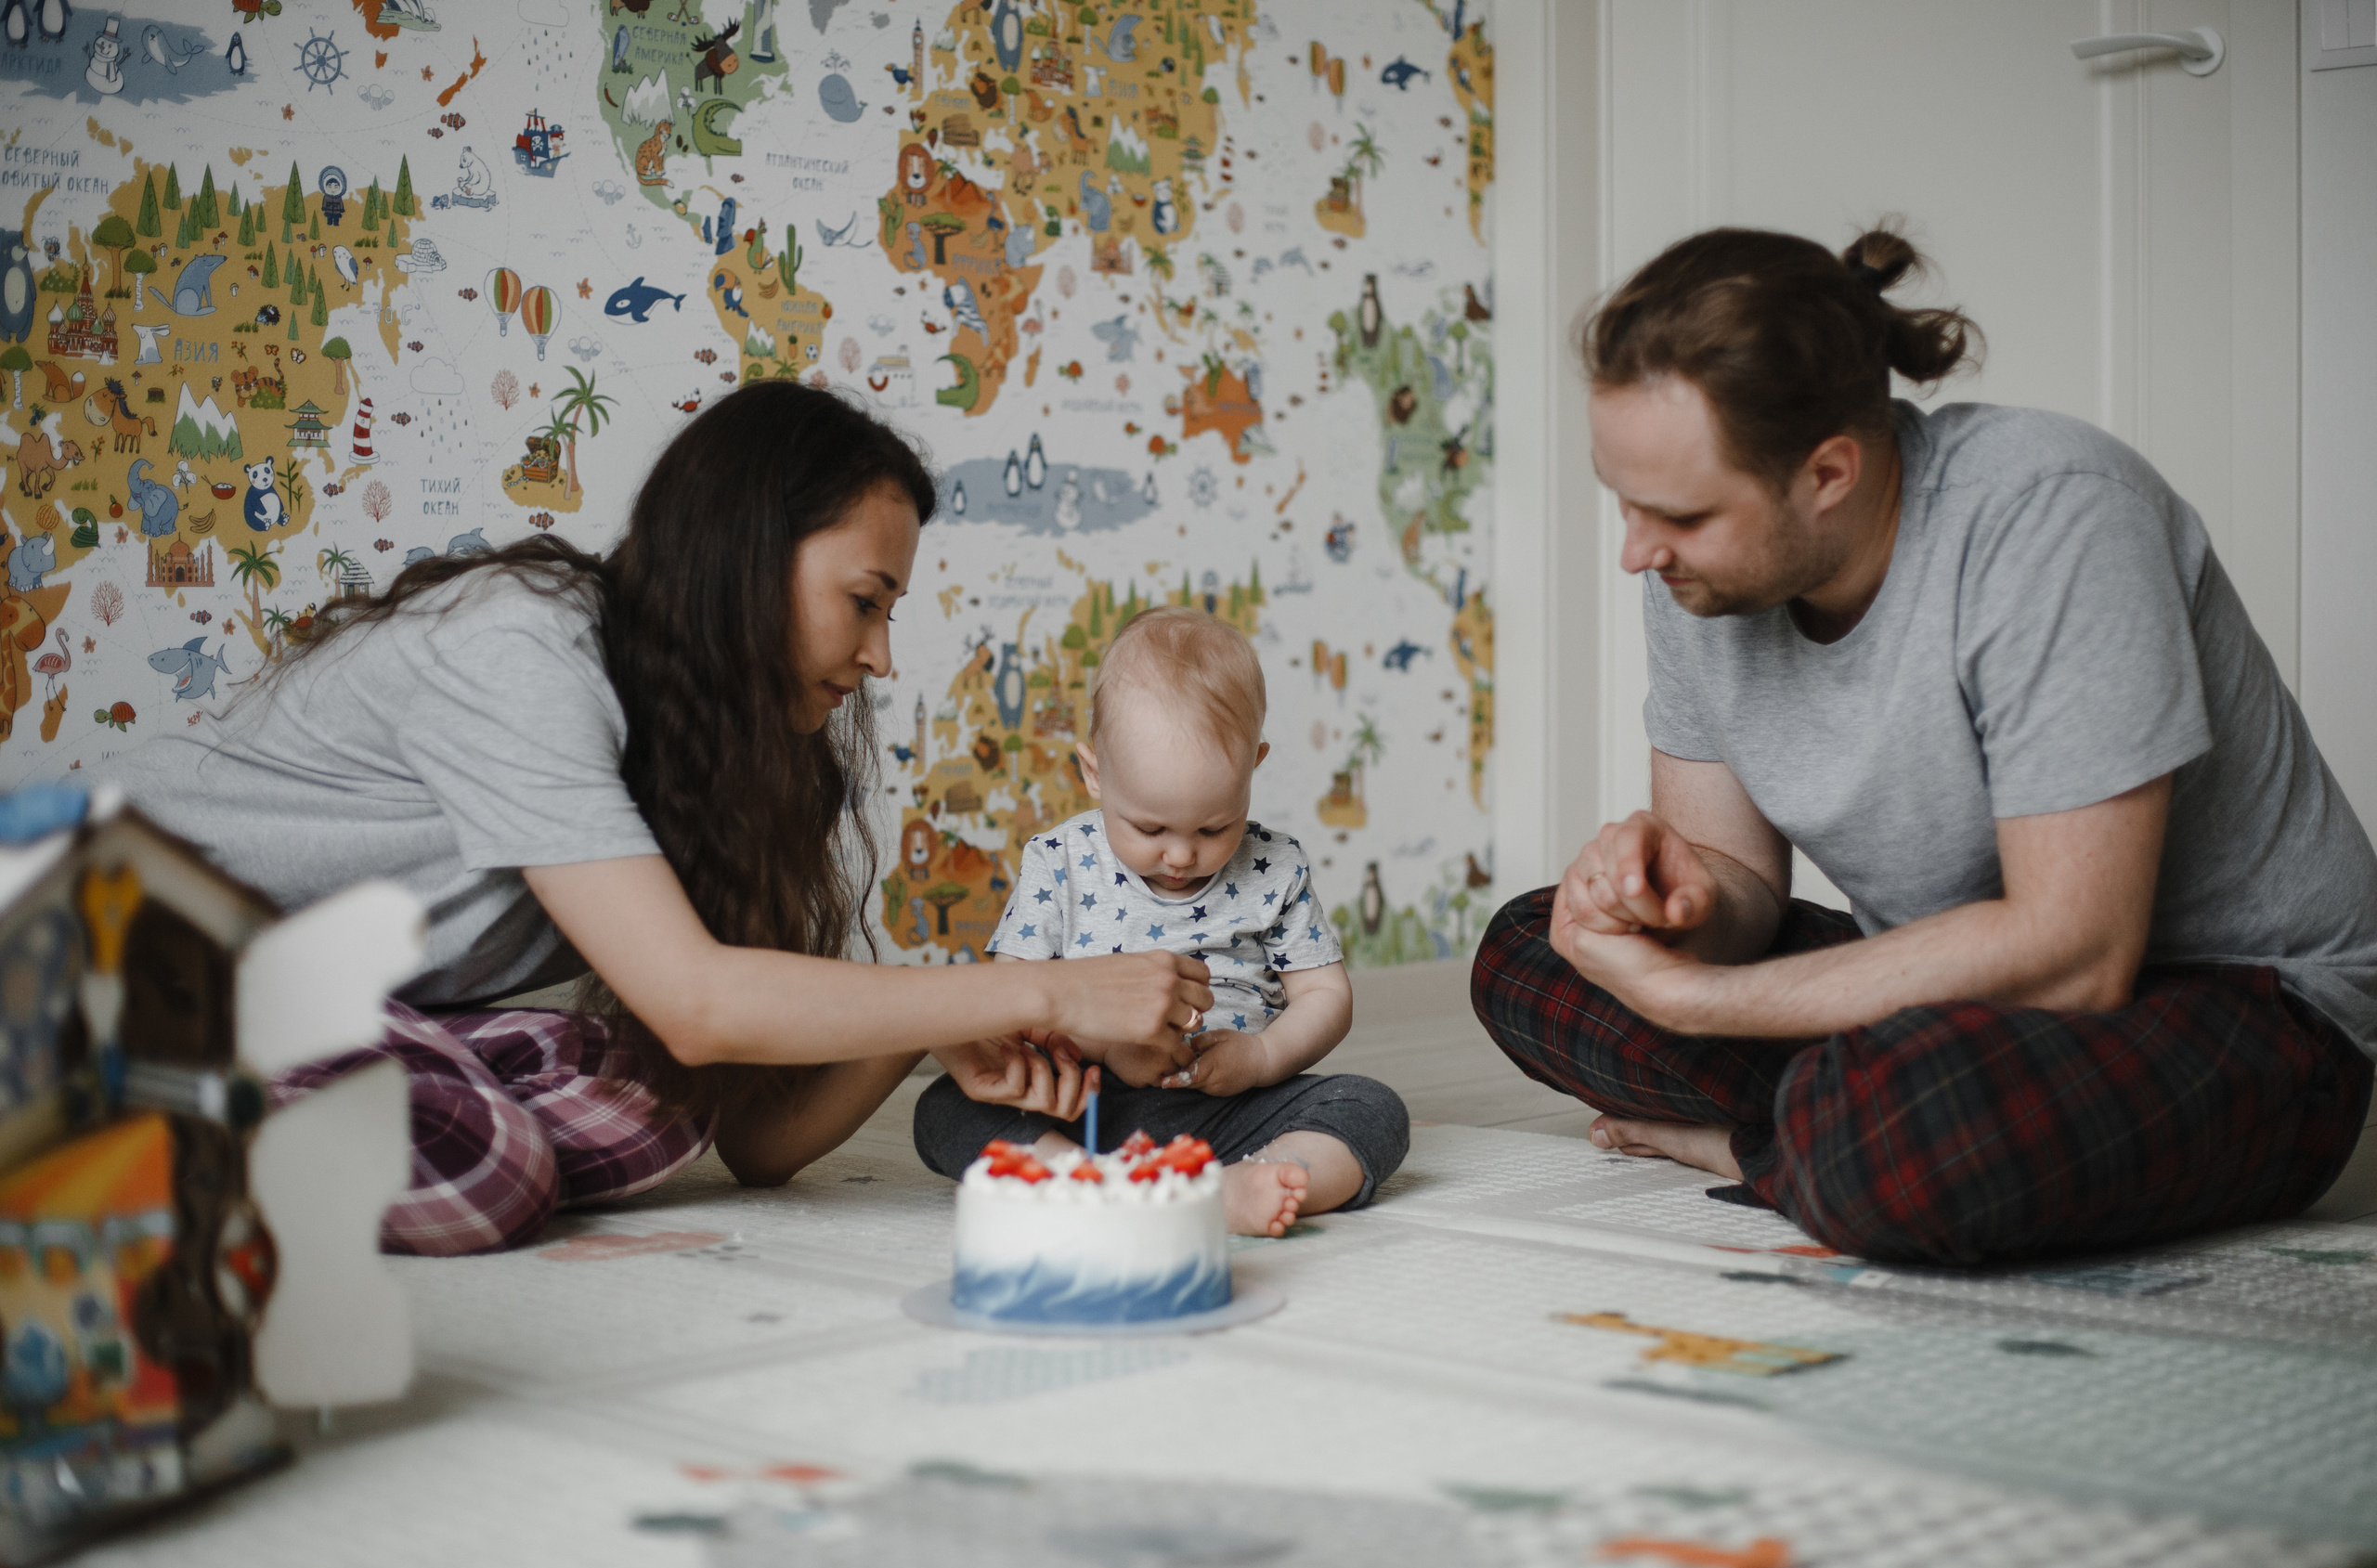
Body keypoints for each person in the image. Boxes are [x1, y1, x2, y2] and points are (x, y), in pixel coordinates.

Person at [93, 383, 1212, 1255]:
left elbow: (756, 1143)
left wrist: (921, 1025)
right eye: (865, 602)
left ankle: (248, 1108)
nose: (879, 657)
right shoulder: (520, 646)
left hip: (292, 1002)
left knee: (652, 1110)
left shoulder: (718, 751)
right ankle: (100, 1127)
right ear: (748, 553)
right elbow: (699, 1004)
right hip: (98, 953)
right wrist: (1049, 987)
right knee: (496, 1169)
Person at [1472, 225, 2377, 1266]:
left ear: (1827, 473)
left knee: (1907, 1131)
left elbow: (2077, 953)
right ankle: (1817, 1134)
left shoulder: (2054, 516)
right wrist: (1668, 906)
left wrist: (1700, 997)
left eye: (1676, 513)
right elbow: (1733, 884)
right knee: (1531, 954)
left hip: (2242, 1006)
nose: (1636, 551)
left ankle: (1753, 1146)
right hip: (1953, 990)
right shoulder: (1697, 576)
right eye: (1624, 502)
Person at [912, 607, 1409, 1235]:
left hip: (1233, 1111)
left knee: (1372, 1108)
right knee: (945, 1109)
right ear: (1095, 774)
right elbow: (1007, 1004)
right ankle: (1095, 1184)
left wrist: (1260, 1057)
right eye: (1149, 827)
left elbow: (1325, 994)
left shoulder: (1275, 867)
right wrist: (1107, 1048)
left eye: (1213, 827)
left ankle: (1244, 1181)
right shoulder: (1059, 861)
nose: (1179, 854)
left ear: (1253, 766)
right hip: (1086, 1107)